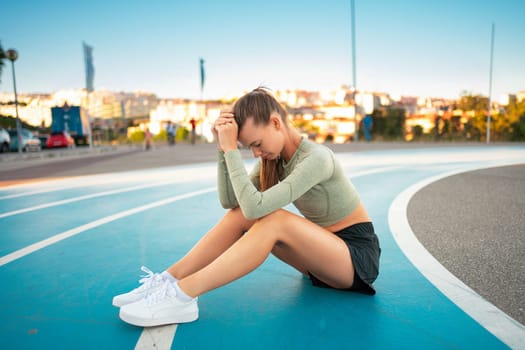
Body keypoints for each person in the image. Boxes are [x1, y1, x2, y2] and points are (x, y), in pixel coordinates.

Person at [114, 88, 381, 327]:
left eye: (256, 145)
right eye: (248, 148)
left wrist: (231, 150)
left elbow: (256, 209)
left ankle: (183, 294)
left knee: (273, 219)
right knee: (242, 213)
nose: (255, 153)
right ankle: (169, 279)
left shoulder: (317, 158)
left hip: (355, 260)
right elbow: (232, 203)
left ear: (276, 123)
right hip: (320, 261)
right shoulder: (274, 160)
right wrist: (222, 149)